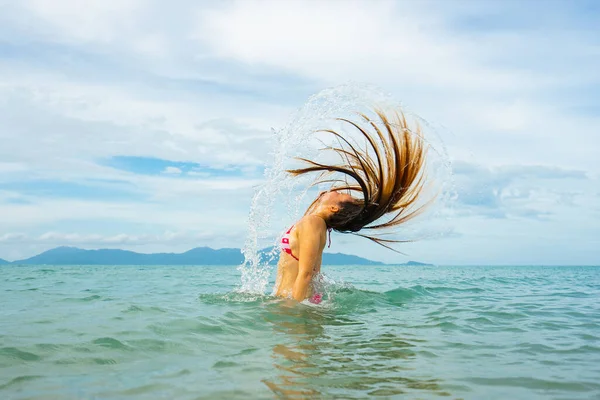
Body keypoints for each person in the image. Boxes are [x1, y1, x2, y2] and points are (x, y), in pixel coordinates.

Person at [273, 107, 432, 302]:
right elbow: (314, 275)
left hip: (294, 305)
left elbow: (306, 275)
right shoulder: (319, 226)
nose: (336, 189)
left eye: (340, 195)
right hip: (301, 303)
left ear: (334, 208)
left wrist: (293, 314)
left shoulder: (313, 223)